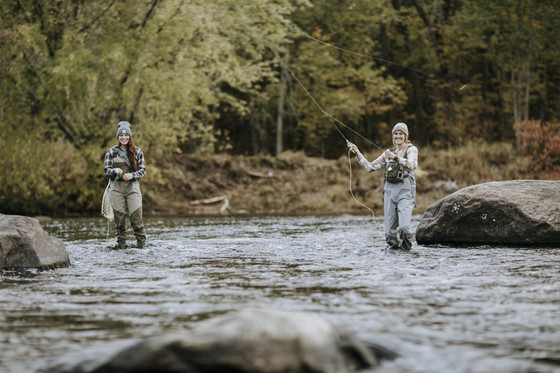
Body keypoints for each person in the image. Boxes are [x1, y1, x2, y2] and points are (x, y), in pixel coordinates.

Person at [347, 122, 418, 250]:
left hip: (405, 191)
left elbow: (412, 165)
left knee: (403, 229)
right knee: (389, 235)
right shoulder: (388, 153)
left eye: (400, 134)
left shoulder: (411, 149)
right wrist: (356, 152)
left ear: (405, 136)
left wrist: (395, 158)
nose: (398, 136)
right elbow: (370, 167)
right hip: (389, 192)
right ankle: (393, 258)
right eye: (395, 134)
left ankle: (407, 255)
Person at [104, 121, 147, 249]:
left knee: (136, 220)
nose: (124, 138)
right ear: (118, 137)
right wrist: (114, 170)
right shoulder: (111, 152)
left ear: (130, 136)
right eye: (121, 135)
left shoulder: (138, 152)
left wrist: (132, 175)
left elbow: (143, 170)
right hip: (116, 189)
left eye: (126, 135)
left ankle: (142, 247)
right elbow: (106, 171)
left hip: (132, 188)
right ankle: (121, 247)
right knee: (120, 223)